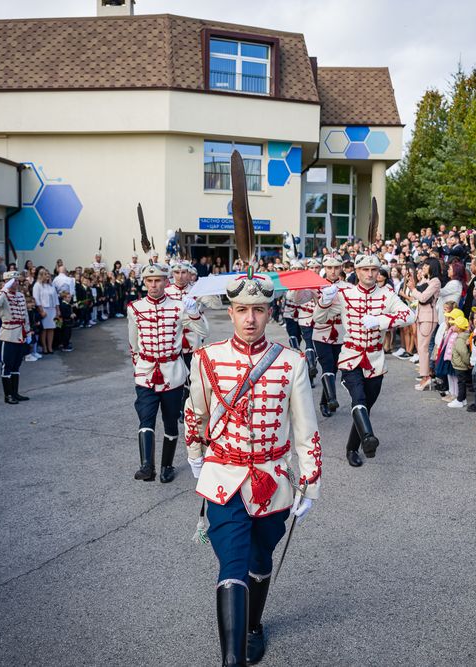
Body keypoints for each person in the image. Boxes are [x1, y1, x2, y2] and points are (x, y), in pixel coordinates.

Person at [183, 271, 321, 666]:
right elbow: (196, 410)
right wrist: (195, 451)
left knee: (260, 561)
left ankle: (254, 625)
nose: (249, 319)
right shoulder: (206, 358)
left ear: (269, 311)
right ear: (231, 311)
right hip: (223, 477)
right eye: (242, 310)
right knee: (233, 562)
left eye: (258, 310)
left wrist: (309, 483)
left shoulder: (291, 362)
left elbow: (305, 427)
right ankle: (233, 659)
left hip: (273, 481)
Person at [314, 251, 414, 467]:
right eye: (365, 270)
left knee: (365, 406)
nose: (370, 273)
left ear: (378, 272)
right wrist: (324, 301)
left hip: (376, 359)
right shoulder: (344, 293)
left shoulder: (387, 294)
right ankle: (368, 439)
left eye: (373, 269)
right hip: (351, 356)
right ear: (356, 271)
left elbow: (409, 315)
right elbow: (318, 318)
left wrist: (381, 319)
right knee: (358, 399)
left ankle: (352, 447)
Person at [127, 263, 206, 483]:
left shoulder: (179, 306)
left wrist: (194, 312)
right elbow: (133, 342)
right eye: (149, 281)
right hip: (146, 373)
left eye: (158, 280)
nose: (154, 285)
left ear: (165, 281)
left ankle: (166, 466)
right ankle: (146, 465)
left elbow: (204, 331)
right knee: (146, 418)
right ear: (144, 283)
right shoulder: (135, 308)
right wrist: (139, 366)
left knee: (171, 421)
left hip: (173, 374)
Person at [311, 255, 347, 417]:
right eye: (329, 268)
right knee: (327, 365)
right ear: (324, 268)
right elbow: (298, 300)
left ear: (341, 268)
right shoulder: (315, 285)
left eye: (336, 267)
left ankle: (324, 401)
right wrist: (297, 291)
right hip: (321, 332)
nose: (333, 271)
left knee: (334, 368)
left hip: (340, 333)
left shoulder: (348, 287)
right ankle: (331, 398)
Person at [0, 271, 31, 404]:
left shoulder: (20, 295)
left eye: (17, 280)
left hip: (20, 334)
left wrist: (28, 331)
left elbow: (25, 314)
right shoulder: (2, 295)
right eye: (14, 281)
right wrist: (4, 288)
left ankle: (15, 393)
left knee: (16, 365)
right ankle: (7, 395)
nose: (17, 283)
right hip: (8, 334)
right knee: (7, 365)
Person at [413, 261, 441, 391]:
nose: (423, 268)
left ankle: (426, 377)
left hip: (428, 317)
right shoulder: (427, 280)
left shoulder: (435, 281)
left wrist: (413, 288)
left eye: (425, 266)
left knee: (423, 348)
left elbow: (423, 298)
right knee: (421, 347)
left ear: (432, 267)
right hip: (421, 316)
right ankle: (425, 376)